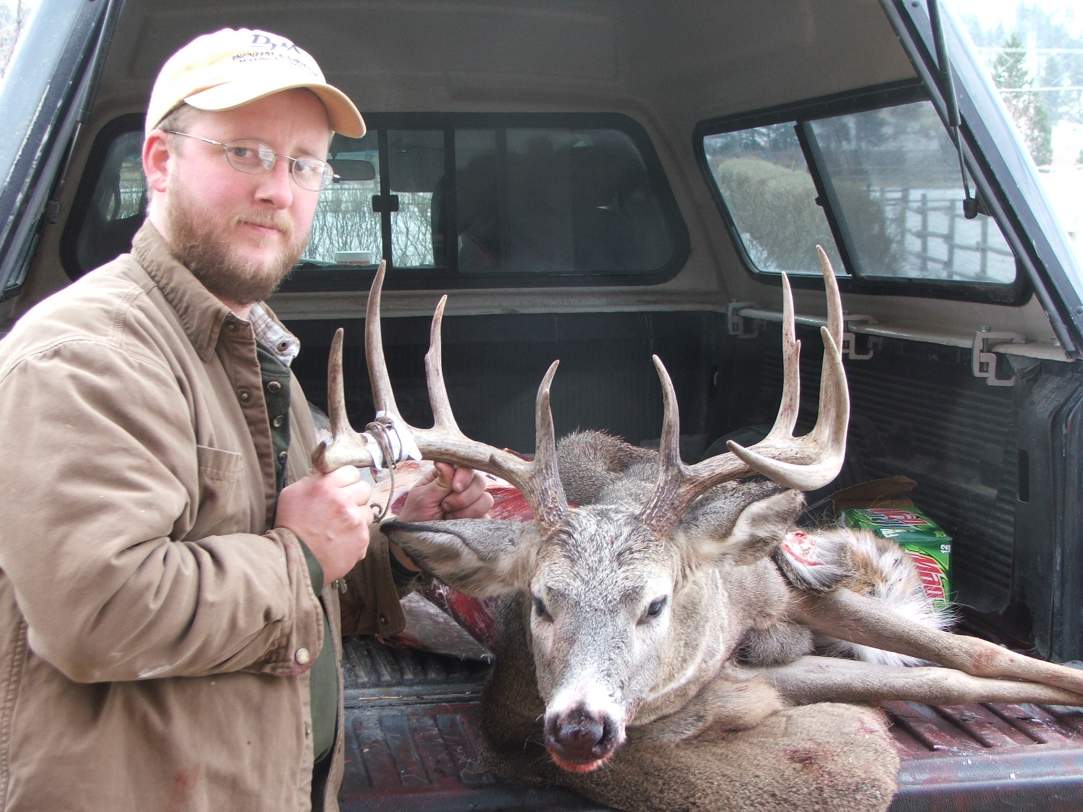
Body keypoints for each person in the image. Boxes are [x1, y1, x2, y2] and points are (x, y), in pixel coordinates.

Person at [0, 27, 492, 811]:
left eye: (304, 166)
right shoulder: (81, 355)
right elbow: (98, 616)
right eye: (245, 154)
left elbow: (298, 575)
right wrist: (302, 554)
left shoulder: (249, 347)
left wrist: (395, 533)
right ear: (160, 162)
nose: (279, 190)